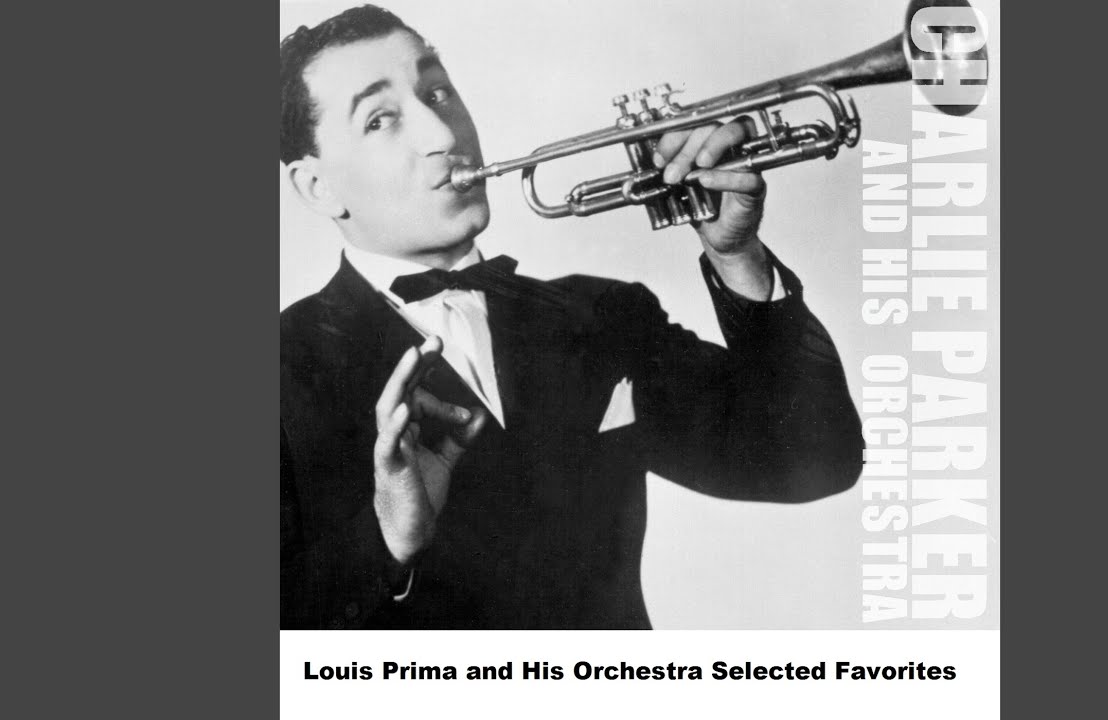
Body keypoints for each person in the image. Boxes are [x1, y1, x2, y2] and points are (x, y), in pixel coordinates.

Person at [279, 4, 863, 629]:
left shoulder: (603, 316)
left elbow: (815, 459)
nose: (442, 135)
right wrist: (388, 542)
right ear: (317, 187)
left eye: (438, 92)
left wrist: (737, 256)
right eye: (381, 119)